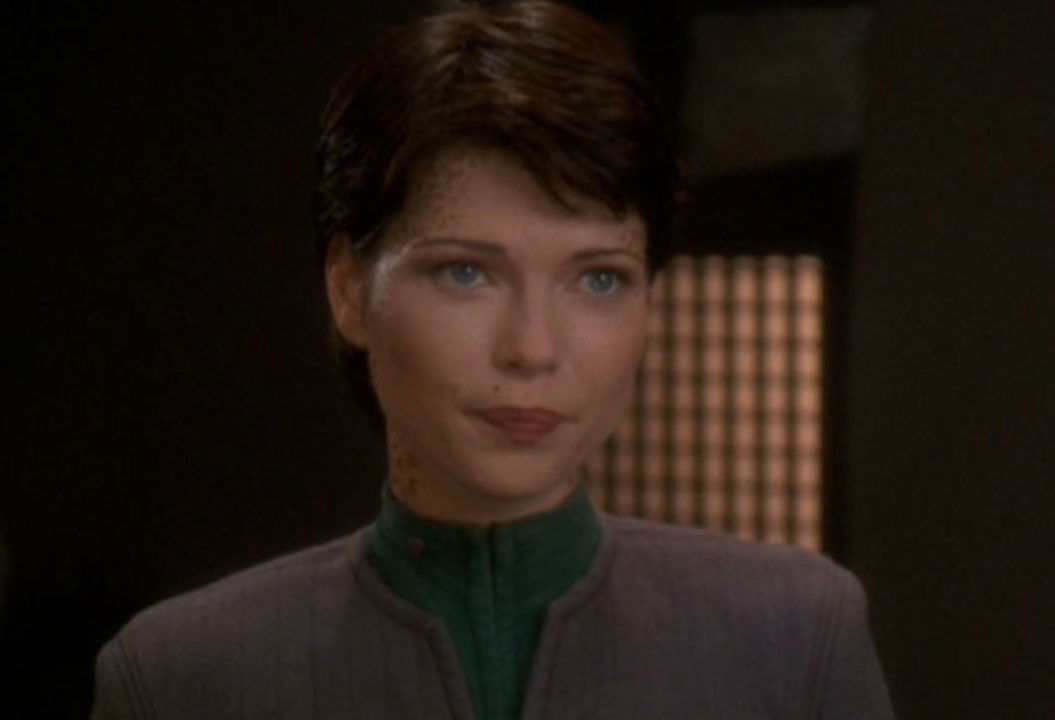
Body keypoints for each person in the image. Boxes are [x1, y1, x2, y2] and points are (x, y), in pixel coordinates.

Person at [90, 2, 893, 718]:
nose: (533, 349)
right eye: (465, 273)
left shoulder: (794, 634)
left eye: (599, 279)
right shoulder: (183, 676)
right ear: (349, 289)